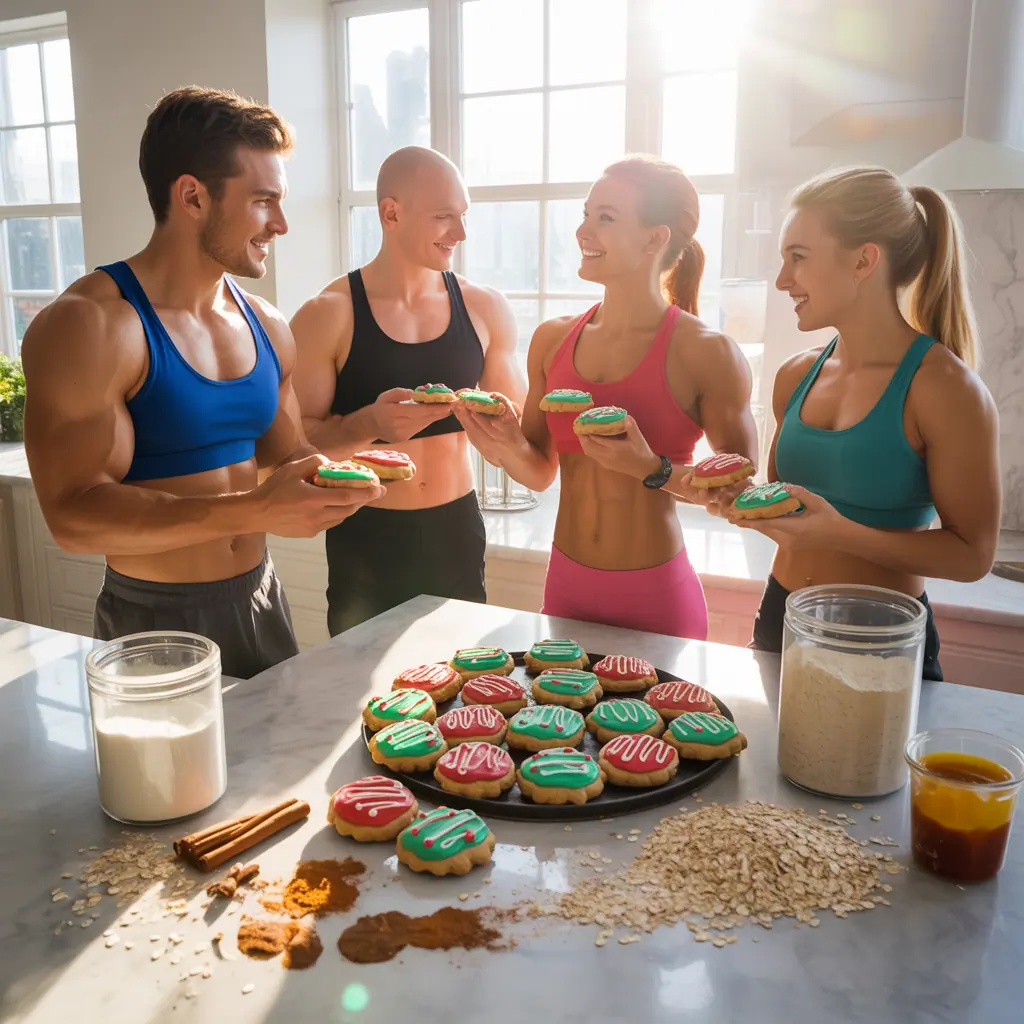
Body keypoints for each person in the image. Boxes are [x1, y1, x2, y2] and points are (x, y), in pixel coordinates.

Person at [21, 87, 383, 679]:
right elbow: (74, 517)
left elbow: (287, 457)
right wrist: (256, 508)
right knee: (173, 779)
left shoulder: (266, 323)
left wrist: (366, 452)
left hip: (261, 598)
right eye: (264, 200)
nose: (282, 224)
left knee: (276, 772)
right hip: (154, 623)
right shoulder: (91, 324)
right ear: (192, 196)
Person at [456, 155, 759, 640]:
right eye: (585, 214)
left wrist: (649, 466)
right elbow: (540, 471)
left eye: (606, 218)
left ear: (655, 238)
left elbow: (738, 495)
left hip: (656, 596)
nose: (582, 231)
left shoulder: (707, 351)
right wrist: (502, 443)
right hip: (565, 587)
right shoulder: (552, 340)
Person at [728, 166, 1001, 680]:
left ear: (863, 259)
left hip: (882, 642)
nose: (783, 280)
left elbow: (973, 555)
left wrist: (841, 533)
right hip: (782, 618)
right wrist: (741, 506)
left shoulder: (944, 387)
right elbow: (789, 514)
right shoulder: (794, 375)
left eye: (798, 258)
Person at [290, 146, 526, 635]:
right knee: (364, 704)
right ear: (391, 213)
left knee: (461, 701)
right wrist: (367, 426)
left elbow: (522, 444)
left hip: (457, 533)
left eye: (462, 217)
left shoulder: (486, 309)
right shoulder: (326, 314)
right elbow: (292, 454)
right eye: (444, 218)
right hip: (366, 541)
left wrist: (504, 428)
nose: (460, 234)